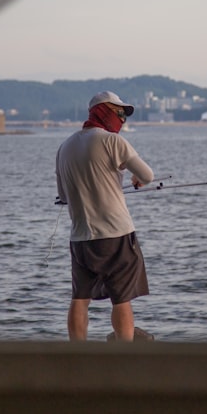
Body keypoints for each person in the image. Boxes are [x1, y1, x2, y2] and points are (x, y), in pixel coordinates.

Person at [55, 91, 155, 342]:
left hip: (80, 238)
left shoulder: (64, 147)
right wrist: (136, 179)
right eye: (119, 112)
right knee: (121, 298)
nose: (122, 119)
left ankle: (78, 356)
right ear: (105, 111)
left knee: (80, 298)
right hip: (116, 235)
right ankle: (124, 356)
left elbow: (63, 196)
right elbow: (148, 176)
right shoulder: (114, 142)